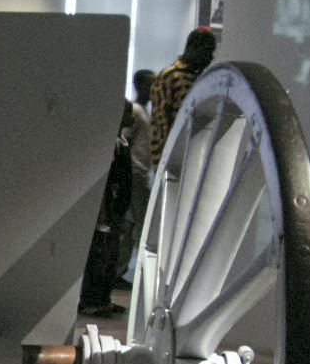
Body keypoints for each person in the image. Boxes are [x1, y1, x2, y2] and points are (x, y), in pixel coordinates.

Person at [79, 100, 134, 317]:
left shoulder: (119, 142)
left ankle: (102, 299)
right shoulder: (112, 144)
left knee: (109, 257)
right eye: (127, 113)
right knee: (101, 256)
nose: (131, 117)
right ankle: (93, 300)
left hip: (114, 209)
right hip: (107, 211)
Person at [149, 27, 217, 163]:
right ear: (193, 48)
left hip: (190, 156)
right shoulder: (170, 76)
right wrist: (166, 161)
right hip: (173, 159)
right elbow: (162, 122)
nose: (210, 57)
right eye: (207, 51)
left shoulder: (198, 78)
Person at [117, 68, 155, 284]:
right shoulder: (137, 112)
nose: (153, 89)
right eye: (150, 84)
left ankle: (119, 270)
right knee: (136, 224)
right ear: (140, 85)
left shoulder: (143, 112)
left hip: (138, 174)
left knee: (131, 224)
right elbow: (126, 141)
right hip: (134, 174)